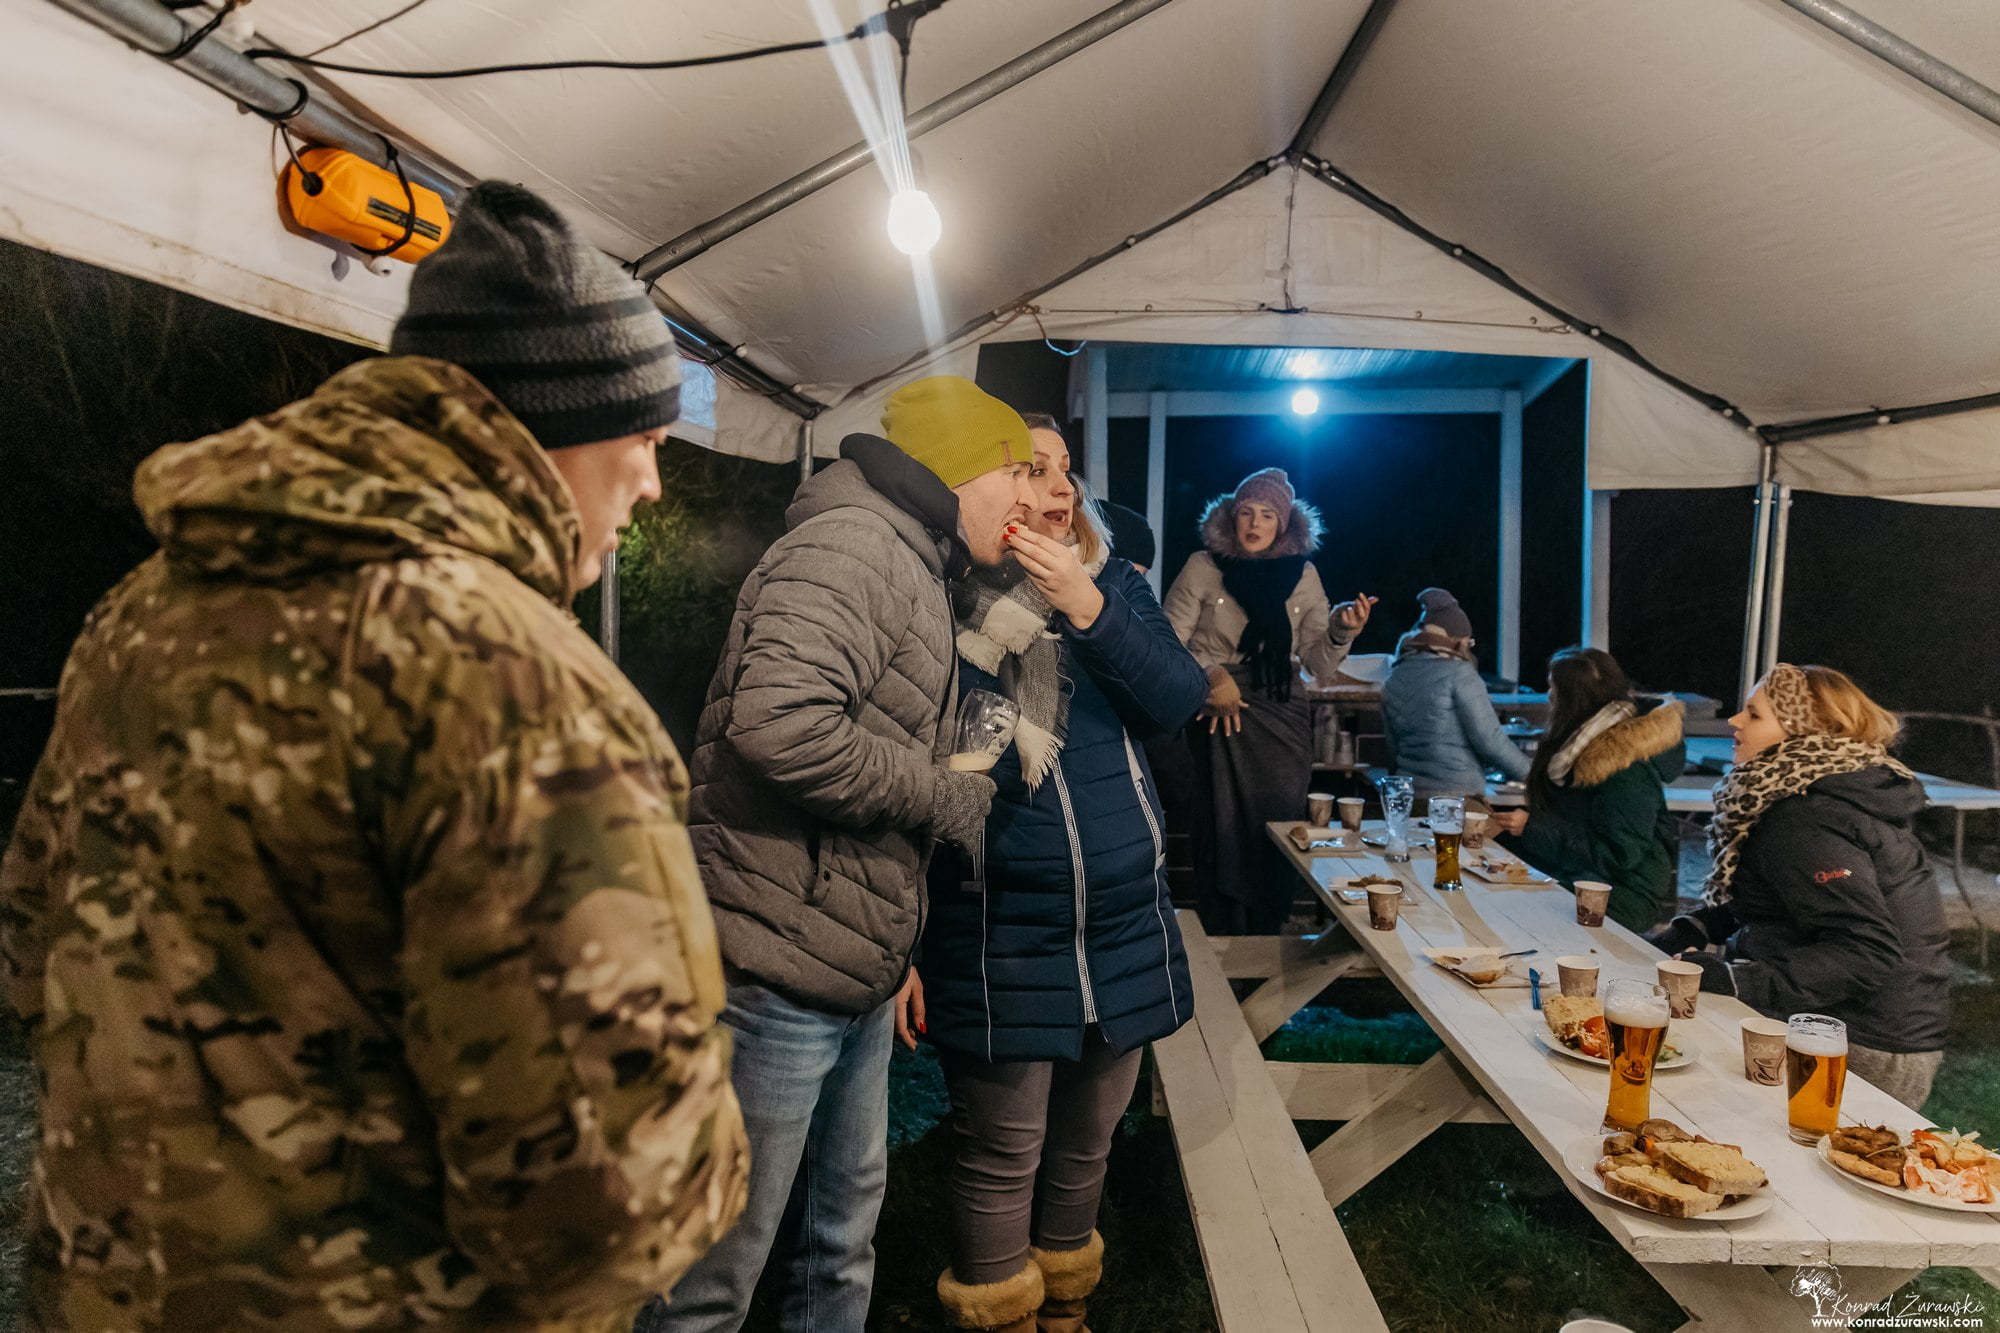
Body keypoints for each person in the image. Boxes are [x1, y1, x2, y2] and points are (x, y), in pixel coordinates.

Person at [0, 181, 749, 1330]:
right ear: (551, 428)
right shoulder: (508, 680)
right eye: (643, 440)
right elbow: (608, 1199)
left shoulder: (139, 610)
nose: (649, 486)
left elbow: (26, 948)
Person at [645, 377, 1034, 1333]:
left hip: (843, 964)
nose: (1032, 497)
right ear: (957, 469)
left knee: (837, 1243)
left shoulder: (914, 561)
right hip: (771, 966)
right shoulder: (851, 545)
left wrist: (892, 950)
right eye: (1016, 469)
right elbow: (779, 728)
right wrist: (948, 796)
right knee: (714, 1270)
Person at [905, 419, 1205, 1333]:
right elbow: (923, 785)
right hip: (995, 922)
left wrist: (1087, 602)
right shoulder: (937, 598)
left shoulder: (1110, 582)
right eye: (1034, 471)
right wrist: (904, 943)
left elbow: (1177, 699)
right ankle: (1000, 1314)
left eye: (1068, 472)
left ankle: (1067, 1314)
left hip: (1122, 917)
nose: (1061, 490)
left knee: (1087, 1147)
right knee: (1004, 1151)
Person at [1647, 664, 1950, 1111]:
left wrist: (1736, 979)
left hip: (1866, 1040)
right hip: (1862, 1026)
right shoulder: (1817, 795)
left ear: (1803, 729)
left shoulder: (1808, 815)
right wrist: (1700, 925)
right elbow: (1792, 897)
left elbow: (1867, 949)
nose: (1735, 722)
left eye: (1753, 715)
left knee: (1691, 1097)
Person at [1162, 468, 1374, 933]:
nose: (1254, 524)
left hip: (1282, 714)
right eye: (1246, 512)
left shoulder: (1304, 574)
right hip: (1217, 712)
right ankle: (1223, 955)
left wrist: (1342, 630)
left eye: (1267, 515)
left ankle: (1268, 947)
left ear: (1284, 524)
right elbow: (1166, 643)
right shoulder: (1204, 565)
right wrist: (1212, 675)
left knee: (1277, 830)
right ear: (1231, 517)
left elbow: (1317, 663)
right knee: (1220, 833)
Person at [1489, 647, 1685, 931]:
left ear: (1573, 699)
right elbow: (1569, 832)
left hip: (1623, 895)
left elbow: (1618, 856)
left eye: (1552, 688)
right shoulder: (1577, 749)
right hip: (1584, 879)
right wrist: (1504, 834)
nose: (1549, 697)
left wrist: (1532, 828)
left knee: (1503, 911)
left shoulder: (1624, 766)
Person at [1381, 587, 1530, 802]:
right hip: (1457, 801)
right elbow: (1491, 742)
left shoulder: (1394, 677)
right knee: (1508, 835)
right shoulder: (1460, 673)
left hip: (1409, 800)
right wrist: (1536, 778)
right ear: (1459, 641)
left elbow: (1393, 752)